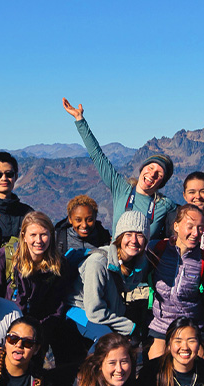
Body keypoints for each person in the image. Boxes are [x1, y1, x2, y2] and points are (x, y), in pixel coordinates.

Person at [62, 98, 176, 239]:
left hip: (145, 261)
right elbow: (98, 156)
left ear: (162, 182)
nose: (152, 174)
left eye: (159, 174)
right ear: (142, 169)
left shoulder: (165, 205)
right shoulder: (122, 189)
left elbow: (191, 215)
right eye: (150, 167)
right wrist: (79, 119)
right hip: (115, 259)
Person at [0, 212, 71, 361]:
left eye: (44, 235)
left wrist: (37, 333)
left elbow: (57, 306)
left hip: (37, 335)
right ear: (24, 236)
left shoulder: (58, 265)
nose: (38, 240)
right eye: (33, 235)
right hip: (5, 333)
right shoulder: (3, 259)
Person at [65, 209, 150, 345]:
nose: (134, 241)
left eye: (139, 235)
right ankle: (90, 367)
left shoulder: (138, 264)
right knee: (109, 343)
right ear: (119, 237)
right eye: (128, 234)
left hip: (105, 312)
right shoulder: (98, 263)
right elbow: (94, 311)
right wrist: (128, 327)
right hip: (80, 311)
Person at [147, 204, 204, 359]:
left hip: (191, 325)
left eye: (200, 228)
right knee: (155, 364)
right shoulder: (158, 249)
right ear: (176, 226)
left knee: (198, 365)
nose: (196, 233)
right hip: (161, 325)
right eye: (190, 227)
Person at [54, 194, 112, 267]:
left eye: (89, 220)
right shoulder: (59, 238)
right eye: (78, 220)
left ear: (95, 218)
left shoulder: (103, 238)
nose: (84, 225)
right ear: (70, 219)